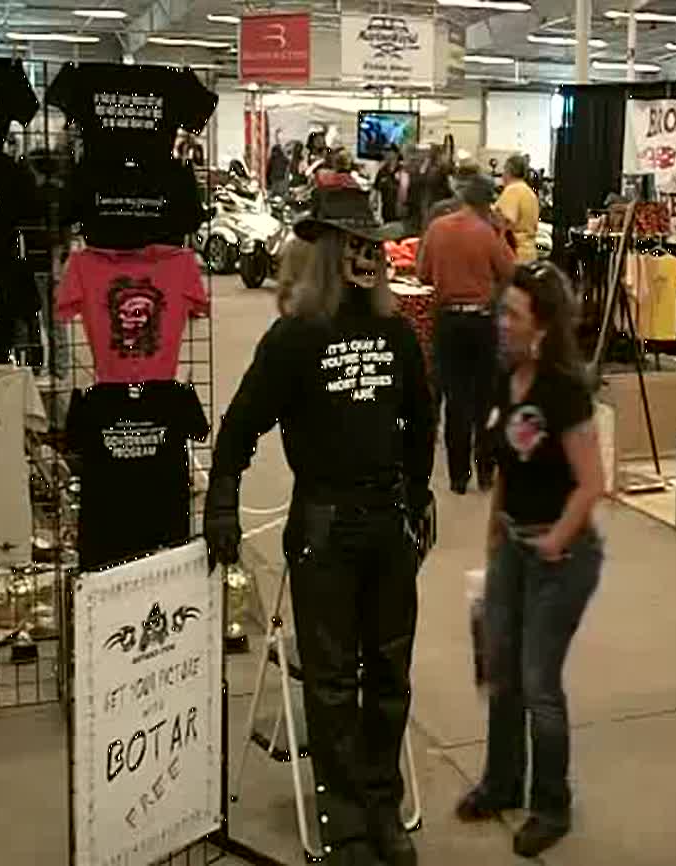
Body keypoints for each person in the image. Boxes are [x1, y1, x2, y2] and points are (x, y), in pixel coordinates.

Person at [205, 186, 434, 866]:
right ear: (332, 251)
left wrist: (420, 496)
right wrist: (222, 498)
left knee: (390, 671)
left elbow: (423, 417)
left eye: (374, 244)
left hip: (387, 522)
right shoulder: (294, 337)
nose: (370, 256)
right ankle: (345, 821)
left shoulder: (395, 331)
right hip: (325, 527)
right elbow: (241, 423)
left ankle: (381, 805)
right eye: (355, 243)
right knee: (332, 681)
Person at [455, 261, 605, 859]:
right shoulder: (505, 379)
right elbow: (507, 477)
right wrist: (496, 537)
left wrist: (554, 540)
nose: (500, 324)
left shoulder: (564, 389)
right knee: (501, 669)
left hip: (563, 555)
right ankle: (501, 782)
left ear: (541, 328)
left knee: (541, 683)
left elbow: (593, 482)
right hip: (515, 545)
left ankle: (551, 804)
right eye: (501, 312)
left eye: (512, 316)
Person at [418, 172, 515, 494]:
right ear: (488, 204)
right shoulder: (488, 233)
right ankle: (486, 471)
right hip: (482, 321)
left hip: (447, 321)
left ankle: (458, 477)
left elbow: (423, 275)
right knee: (486, 397)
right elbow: (509, 272)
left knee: (454, 399)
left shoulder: (437, 228)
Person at [495, 154, 541, 263]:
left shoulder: (512, 191)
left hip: (515, 255)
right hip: (530, 253)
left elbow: (505, 222)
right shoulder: (529, 193)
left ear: (508, 171)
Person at [374, 147, 405, 223]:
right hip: (386, 211)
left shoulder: (403, 170)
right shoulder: (382, 171)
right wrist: (374, 201)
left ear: (396, 154)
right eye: (385, 151)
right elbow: (376, 188)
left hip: (400, 212)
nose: (385, 154)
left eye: (388, 151)